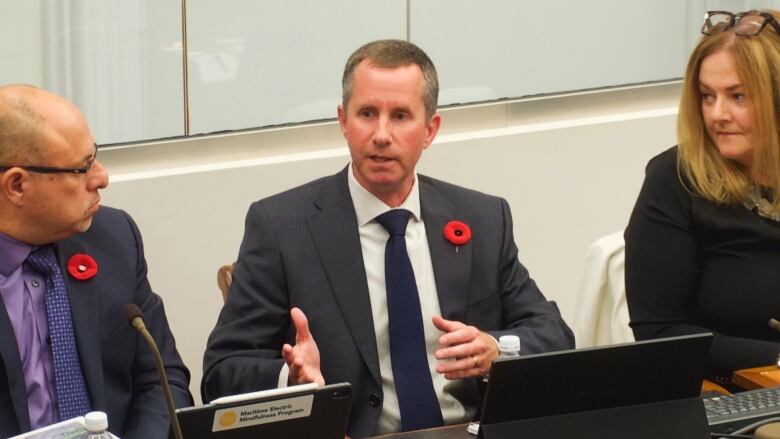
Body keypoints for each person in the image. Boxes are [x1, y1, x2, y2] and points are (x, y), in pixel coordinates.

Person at [202, 39, 574, 437]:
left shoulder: (482, 218)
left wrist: (495, 348)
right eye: (367, 113)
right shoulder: (282, 227)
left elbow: (554, 335)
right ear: (344, 121)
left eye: (400, 116)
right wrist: (293, 380)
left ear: (430, 129)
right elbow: (221, 371)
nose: (381, 134)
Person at [0, 85, 192, 437]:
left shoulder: (113, 238)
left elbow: (161, 380)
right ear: (17, 186)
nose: (102, 178)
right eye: (81, 169)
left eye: (95, 156)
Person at [625, 10, 780, 383]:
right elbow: (659, 334)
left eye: (739, 97)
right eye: (707, 96)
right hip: (730, 392)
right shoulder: (675, 179)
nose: (717, 114)